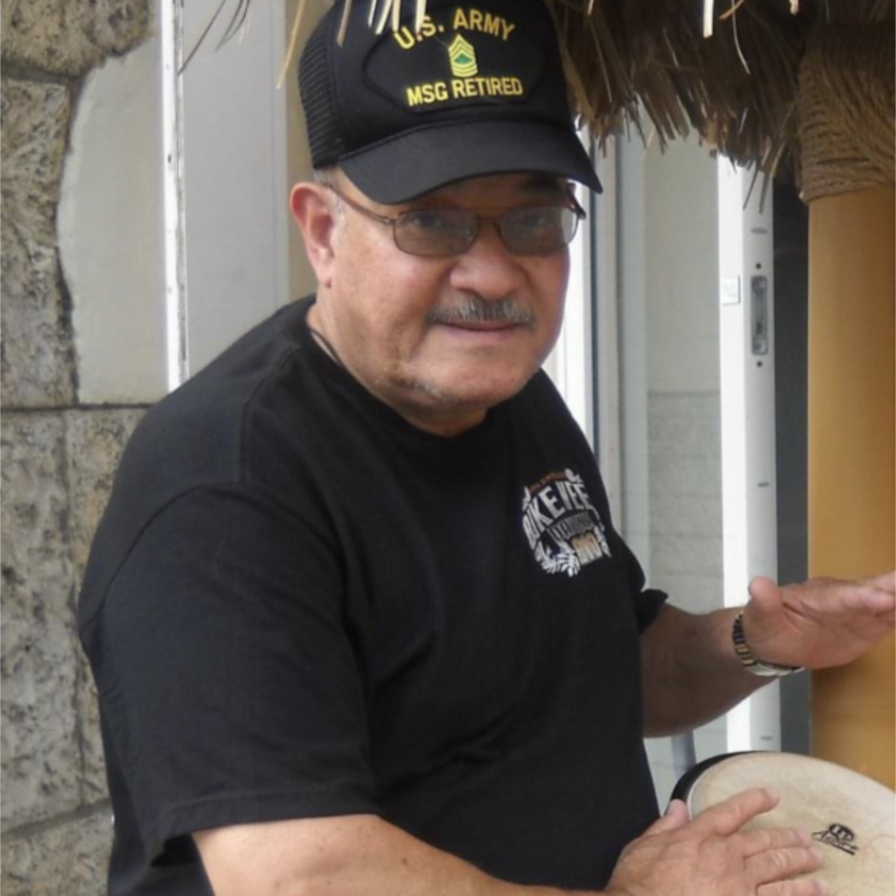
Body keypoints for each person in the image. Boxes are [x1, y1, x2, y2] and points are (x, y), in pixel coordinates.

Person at [78, 0, 896, 894]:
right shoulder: (225, 483)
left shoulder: (509, 399)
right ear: (323, 233)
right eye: (431, 222)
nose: (494, 273)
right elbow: (300, 877)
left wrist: (754, 640)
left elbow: (605, 668)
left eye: (533, 220)